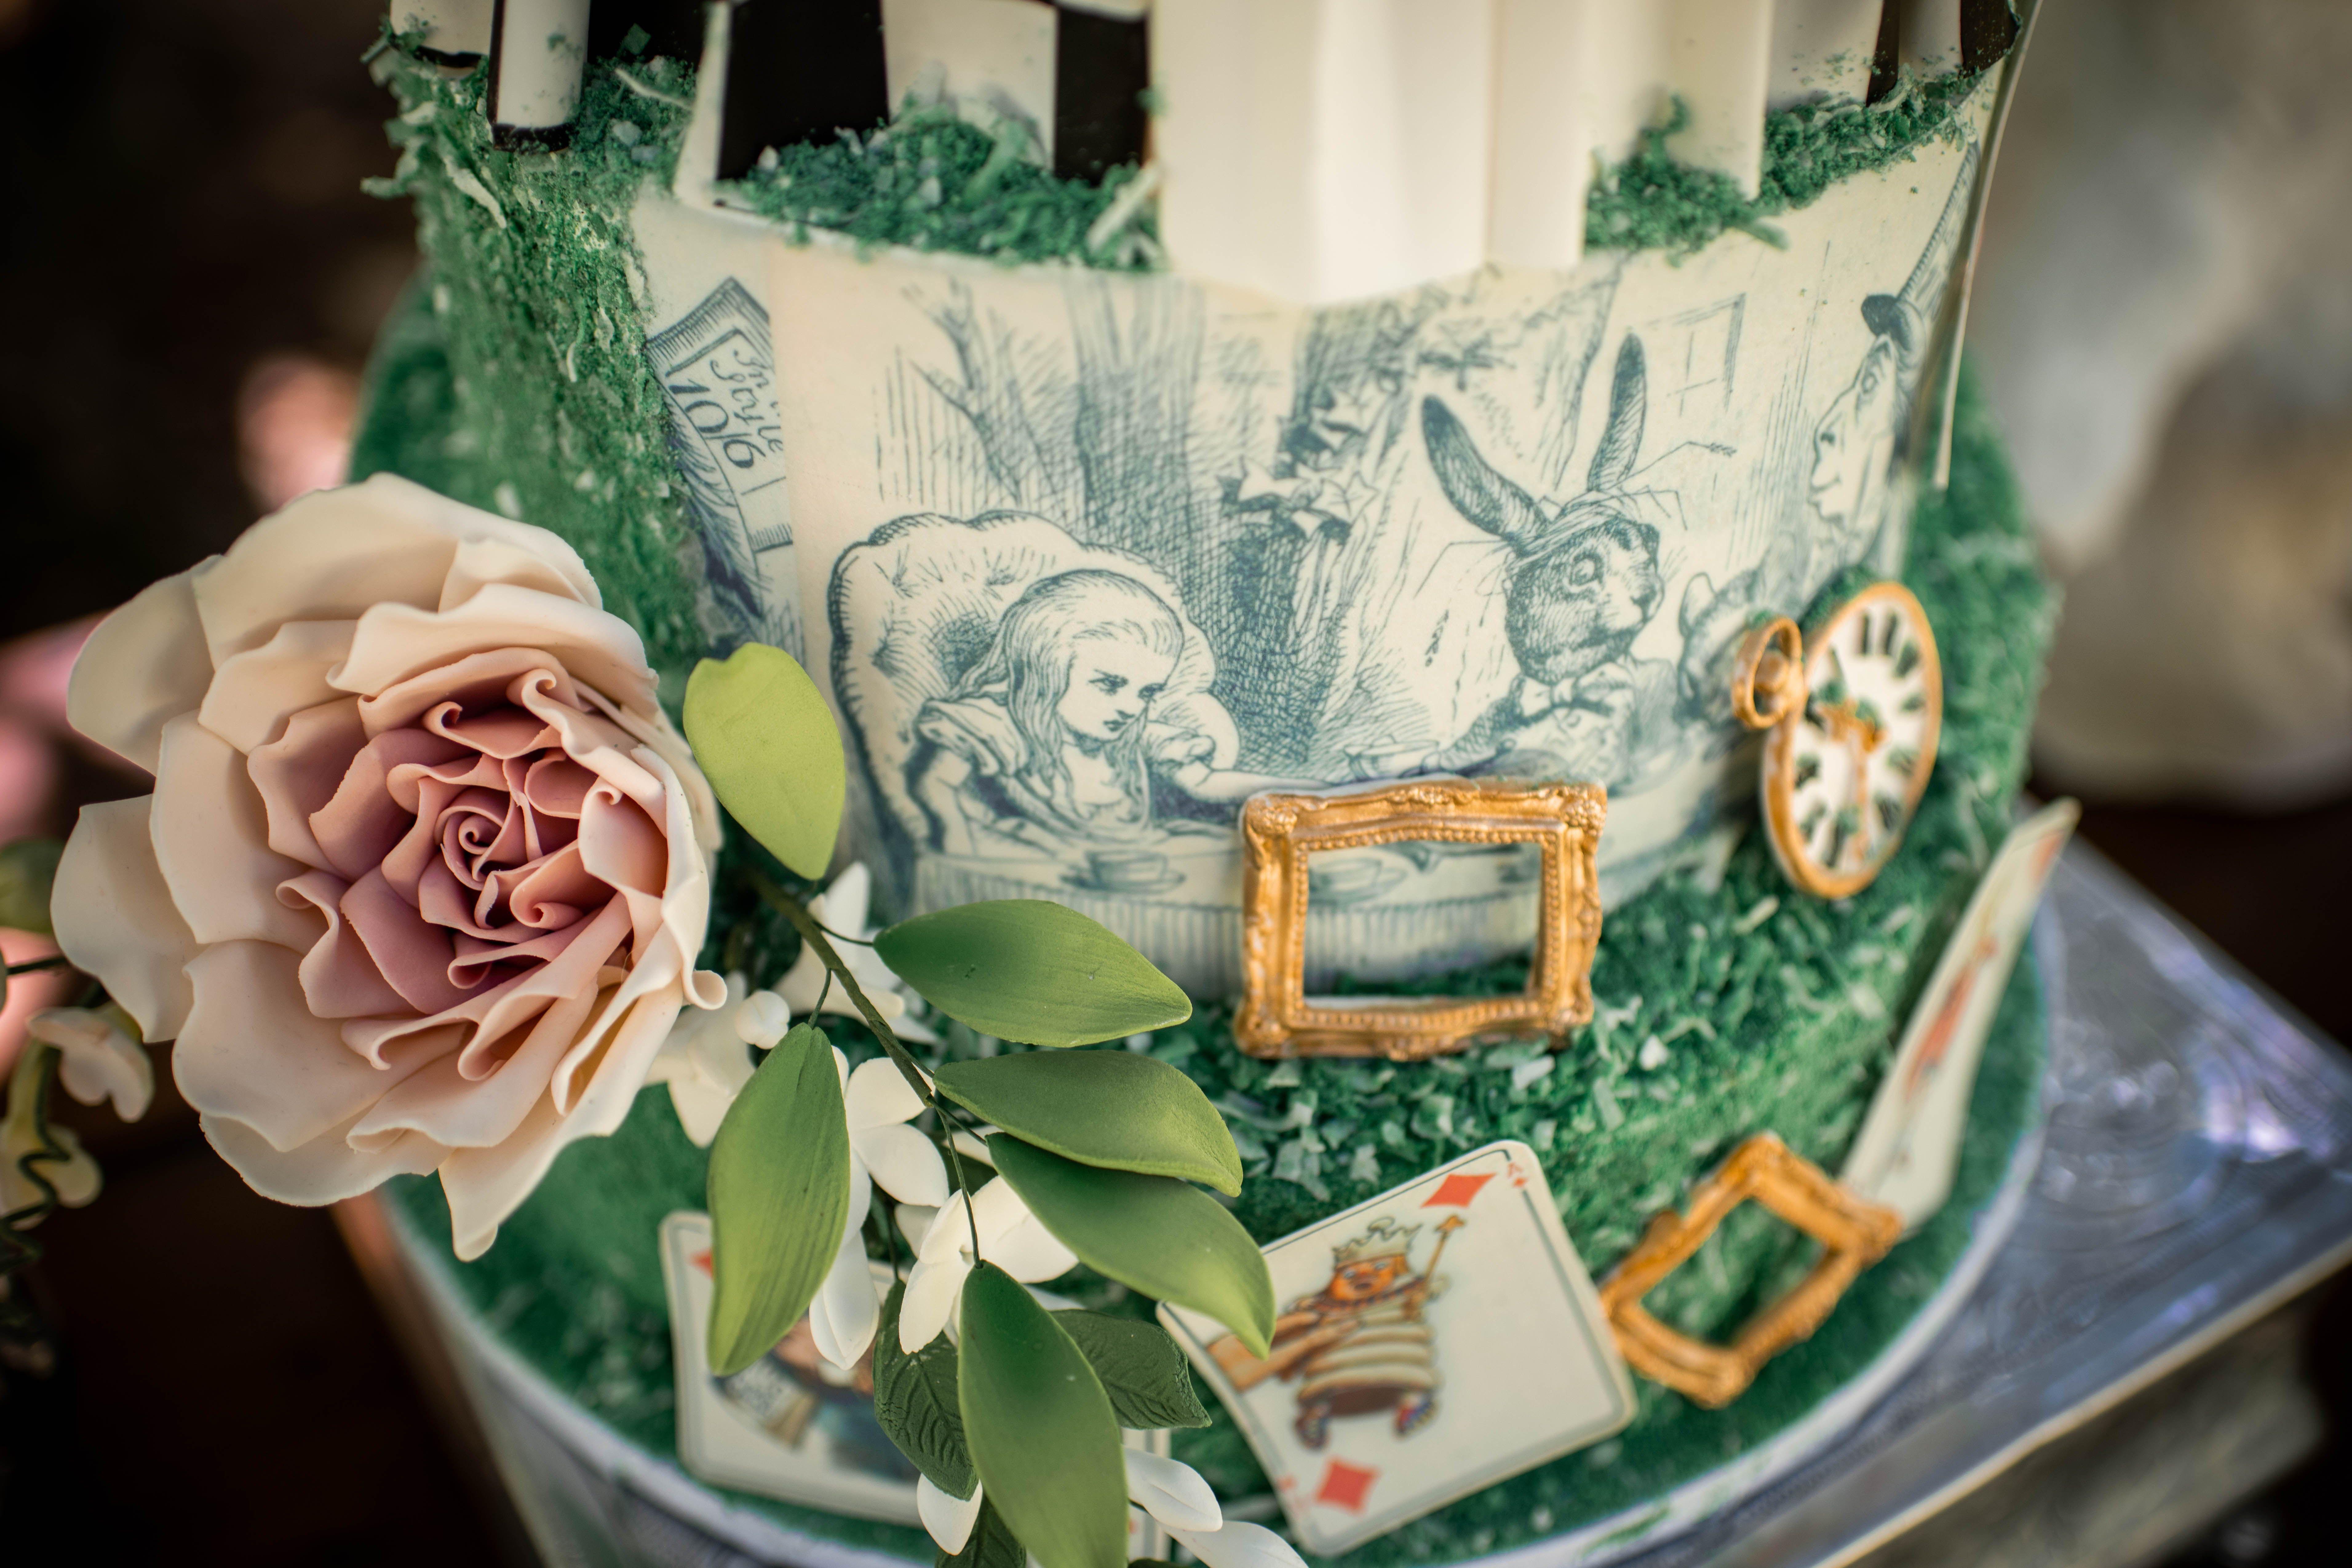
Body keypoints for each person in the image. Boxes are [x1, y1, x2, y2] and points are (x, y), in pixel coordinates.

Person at [908, 570, 1295, 858]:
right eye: (1109, 684)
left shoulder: (1133, 732)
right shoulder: (995, 723)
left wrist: (1312, 793)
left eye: (1147, 692)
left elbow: (1205, 782)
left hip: (1135, 859)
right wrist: (959, 841)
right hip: (1051, 870)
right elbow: (935, 783)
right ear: (1047, 666)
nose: (1130, 707)